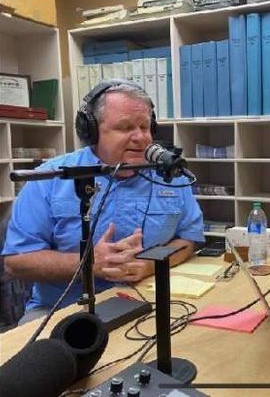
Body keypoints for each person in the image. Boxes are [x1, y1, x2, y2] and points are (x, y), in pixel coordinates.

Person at [2, 80, 204, 323]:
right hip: (62, 312)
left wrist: (151, 266)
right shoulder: (51, 178)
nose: (140, 137)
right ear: (92, 131)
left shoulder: (168, 175)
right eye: (125, 127)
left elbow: (188, 239)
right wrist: (88, 263)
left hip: (147, 302)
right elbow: (16, 262)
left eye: (145, 126)